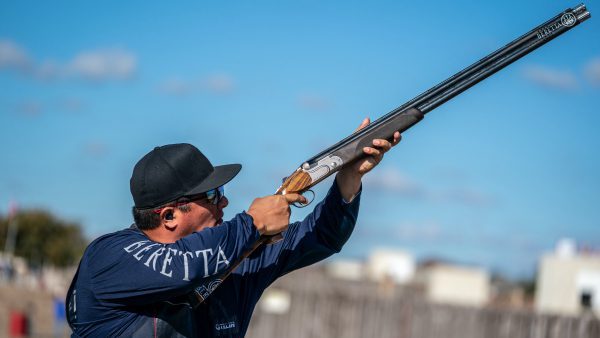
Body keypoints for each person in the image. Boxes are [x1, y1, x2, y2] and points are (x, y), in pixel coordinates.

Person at [66, 118, 401, 337]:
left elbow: (323, 237)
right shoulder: (109, 257)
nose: (224, 202)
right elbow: (184, 266)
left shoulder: (238, 252)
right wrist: (253, 223)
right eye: (212, 195)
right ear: (168, 215)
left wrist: (348, 178)